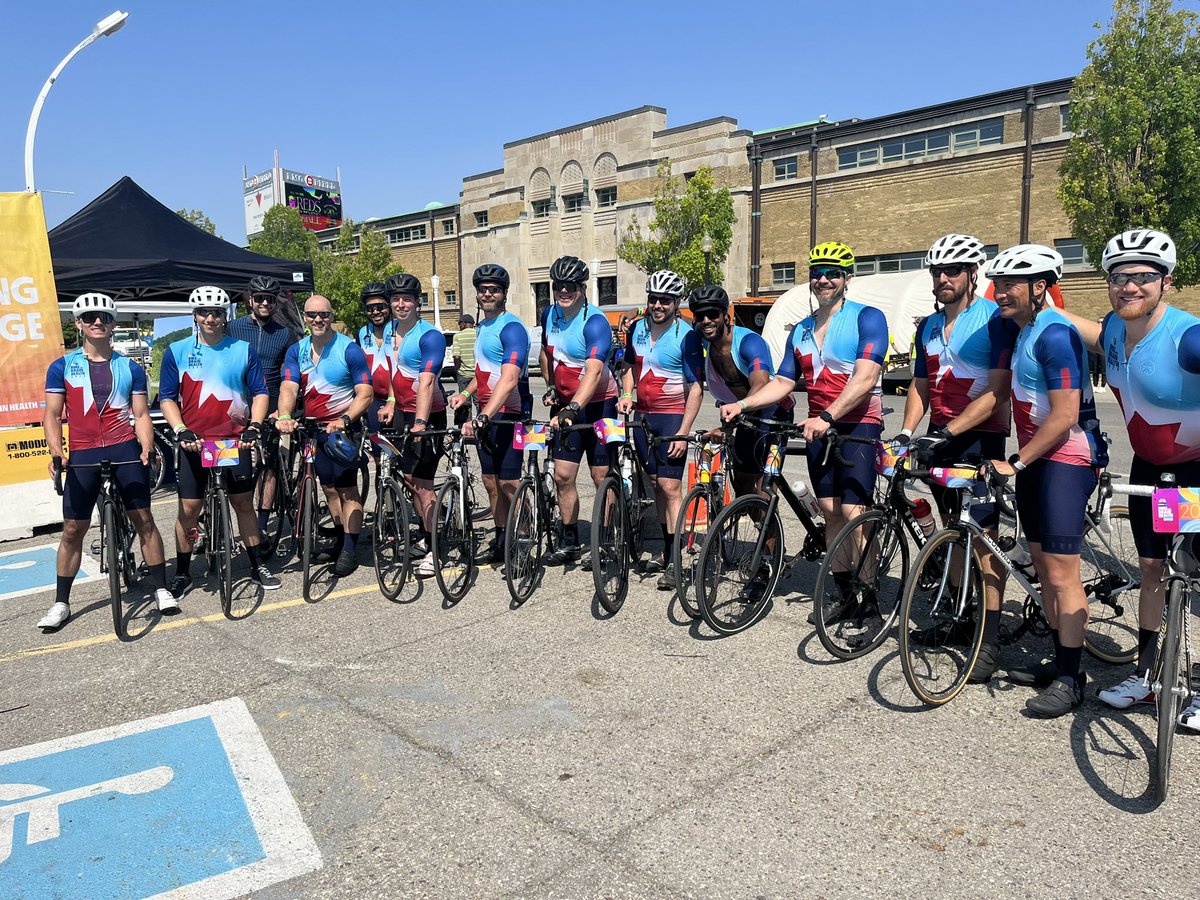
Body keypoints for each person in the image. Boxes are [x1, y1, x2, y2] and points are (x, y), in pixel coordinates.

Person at [1054, 230, 1200, 727]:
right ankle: (1147, 676)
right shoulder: (1114, 328)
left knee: (1196, 573)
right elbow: (1088, 333)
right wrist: (1038, 298)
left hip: (1194, 470)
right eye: (1119, 277)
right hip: (1149, 470)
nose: (1129, 286)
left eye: (1143, 276)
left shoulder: (1188, 338)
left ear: (1166, 282)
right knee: (1152, 570)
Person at [720, 242, 886, 600]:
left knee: (854, 513)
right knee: (830, 511)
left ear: (847, 278)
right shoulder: (801, 330)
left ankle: (869, 599)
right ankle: (844, 593)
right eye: (817, 273)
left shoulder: (867, 318)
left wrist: (827, 416)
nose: (823, 280)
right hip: (819, 428)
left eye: (832, 273)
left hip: (859, 425)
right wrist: (743, 404)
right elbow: (783, 381)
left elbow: (866, 378)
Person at [983, 244, 1107, 718]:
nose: (1000, 292)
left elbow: (1066, 414)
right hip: (1039, 460)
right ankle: (1059, 662)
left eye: (1011, 284)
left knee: (1060, 573)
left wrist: (1016, 462)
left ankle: (1072, 680)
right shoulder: (1026, 330)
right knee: (1042, 563)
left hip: (1067, 460)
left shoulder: (1055, 333)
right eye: (998, 283)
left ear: (1040, 287)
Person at [898, 234, 1020, 683]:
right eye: (937, 272)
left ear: (973, 274)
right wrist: (908, 432)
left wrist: (949, 431)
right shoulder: (928, 326)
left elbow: (998, 391)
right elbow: (920, 385)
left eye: (952, 271)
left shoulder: (995, 320)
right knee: (953, 531)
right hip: (940, 437)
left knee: (983, 538)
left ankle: (988, 637)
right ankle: (959, 617)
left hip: (981, 439)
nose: (943, 279)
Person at [37, 293, 175, 629]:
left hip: (123, 448)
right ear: (79, 324)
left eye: (104, 317)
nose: (97, 322)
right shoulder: (62, 367)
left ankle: (161, 588)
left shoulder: (129, 367)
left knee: (144, 520)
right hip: (83, 452)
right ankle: (61, 602)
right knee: (73, 529)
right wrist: (57, 452)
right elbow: (52, 415)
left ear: (113, 323)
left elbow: (140, 414)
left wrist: (146, 447)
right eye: (89, 317)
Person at [159, 286, 281, 596]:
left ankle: (256, 566)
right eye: (204, 312)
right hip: (195, 442)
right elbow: (167, 398)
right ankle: (183, 572)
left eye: (216, 313)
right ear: (195, 316)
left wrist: (254, 426)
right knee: (189, 510)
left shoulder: (242, 349)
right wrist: (180, 429)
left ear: (225, 316)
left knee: (243, 505)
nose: (210, 318)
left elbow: (261, 392)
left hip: (232, 442)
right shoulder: (177, 351)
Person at [618, 270, 704, 590]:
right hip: (643, 418)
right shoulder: (637, 328)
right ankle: (668, 549)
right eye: (653, 299)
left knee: (670, 488)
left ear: (676, 302)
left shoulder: (688, 336)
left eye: (665, 300)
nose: (657, 305)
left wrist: (683, 431)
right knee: (655, 484)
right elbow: (629, 367)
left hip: (671, 419)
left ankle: (676, 559)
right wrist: (627, 394)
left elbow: (696, 388)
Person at [277, 295, 374, 577]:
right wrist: (284, 415)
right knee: (329, 488)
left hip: (343, 430)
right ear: (305, 318)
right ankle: (341, 540)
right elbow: (289, 387)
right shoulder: (297, 350)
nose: (318, 319)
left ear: (331, 316)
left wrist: (344, 420)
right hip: (313, 432)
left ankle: (350, 550)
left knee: (347, 489)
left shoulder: (348, 349)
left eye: (324, 315)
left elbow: (365, 393)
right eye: (312, 315)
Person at [539, 256, 620, 565]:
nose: (564, 291)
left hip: (600, 404)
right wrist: (551, 387)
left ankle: (607, 539)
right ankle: (570, 540)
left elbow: (595, 371)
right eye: (559, 285)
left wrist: (573, 406)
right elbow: (546, 353)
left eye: (571, 286)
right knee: (563, 475)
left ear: (582, 288)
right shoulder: (549, 314)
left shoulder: (595, 321)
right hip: (566, 405)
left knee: (600, 475)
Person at [448, 264, 532, 563]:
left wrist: (483, 415)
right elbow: (484, 373)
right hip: (487, 414)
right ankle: (501, 537)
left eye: (494, 290)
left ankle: (524, 538)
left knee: (510, 483)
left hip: (511, 414)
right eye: (482, 290)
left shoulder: (512, 328)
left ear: (504, 294)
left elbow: (509, 379)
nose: (487, 294)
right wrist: (465, 393)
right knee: (490, 482)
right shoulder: (482, 328)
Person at [381, 273, 449, 578]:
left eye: (406, 299)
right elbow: (395, 371)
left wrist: (420, 422)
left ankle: (436, 549)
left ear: (417, 302)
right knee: (409, 477)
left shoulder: (429, 336)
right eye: (395, 299)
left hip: (428, 415)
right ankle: (426, 529)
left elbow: (427, 381)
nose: (400, 304)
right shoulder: (389, 330)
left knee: (422, 484)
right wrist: (391, 401)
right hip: (403, 413)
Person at [229, 274, 299, 532]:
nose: (265, 303)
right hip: (237, 403)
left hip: (271, 403)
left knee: (268, 463)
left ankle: (262, 522)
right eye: (259, 298)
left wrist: (283, 409)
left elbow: (291, 372)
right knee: (233, 463)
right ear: (250, 300)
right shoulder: (232, 328)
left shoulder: (284, 333)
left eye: (270, 299)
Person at [356, 281, 394, 435]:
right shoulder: (362, 333)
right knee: (378, 445)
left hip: (399, 400)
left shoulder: (400, 329)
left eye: (380, 306)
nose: (376, 311)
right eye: (370, 308)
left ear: (389, 306)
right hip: (373, 400)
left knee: (399, 446)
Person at [451, 314, 477, 422]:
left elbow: (457, 356)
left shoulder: (458, 336)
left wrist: (456, 369)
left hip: (463, 374)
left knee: (464, 401)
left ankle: (466, 424)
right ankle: (480, 424)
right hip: (477, 376)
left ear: (463, 324)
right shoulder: (478, 334)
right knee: (478, 401)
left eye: (459, 324)